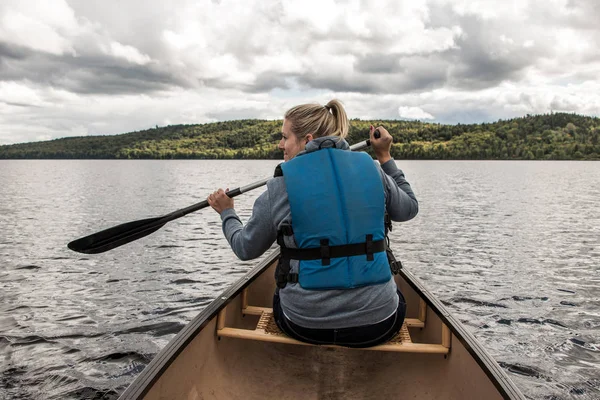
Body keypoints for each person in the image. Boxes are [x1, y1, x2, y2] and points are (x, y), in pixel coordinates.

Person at [207, 99, 418, 347]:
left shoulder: (279, 186)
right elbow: (409, 208)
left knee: (280, 291)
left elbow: (244, 248)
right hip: (379, 324)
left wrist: (227, 213)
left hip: (305, 325)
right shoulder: (374, 170)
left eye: (285, 137)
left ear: (307, 139)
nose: (280, 144)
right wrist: (384, 156)